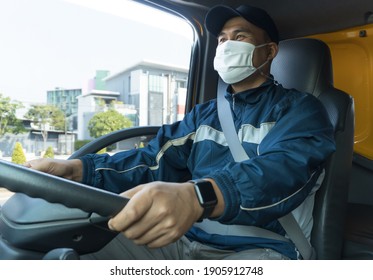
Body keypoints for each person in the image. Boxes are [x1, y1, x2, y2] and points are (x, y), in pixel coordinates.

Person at [26, 4, 335, 260]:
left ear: (268, 52)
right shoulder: (204, 114)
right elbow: (152, 160)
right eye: (222, 40)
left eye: (239, 37)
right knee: (70, 257)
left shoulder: (301, 110)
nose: (226, 46)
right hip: (183, 239)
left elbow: (280, 172)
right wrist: (79, 169)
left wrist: (198, 196)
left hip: (260, 246)